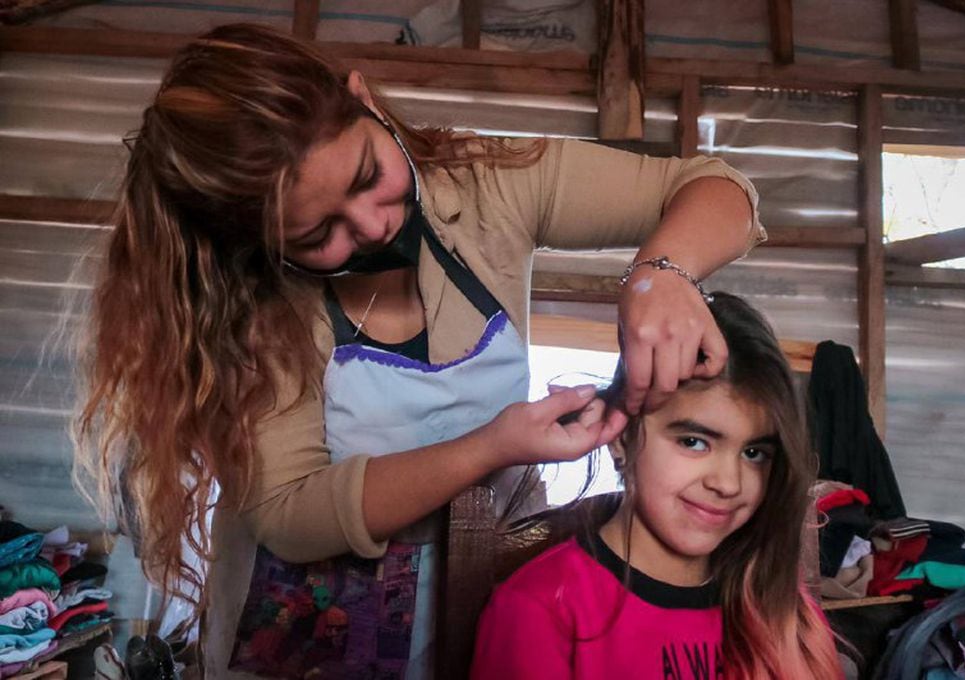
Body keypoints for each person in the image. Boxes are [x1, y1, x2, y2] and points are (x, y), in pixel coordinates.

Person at [73, 23, 766, 678]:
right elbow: (291, 514)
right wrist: (489, 448)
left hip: (470, 594)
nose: (374, 227)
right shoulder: (253, 300)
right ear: (256, 240)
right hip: (302, 639)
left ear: (360, 98)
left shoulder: (486, 185)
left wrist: (660, 275)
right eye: (319, 236)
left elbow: (716, 189)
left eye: (368, 174)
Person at [470, 293, 843, 679]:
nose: (728, 483)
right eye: (694, 442)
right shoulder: (541, 610)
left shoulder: (783, 608)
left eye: (753, 453)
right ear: (621, 437)